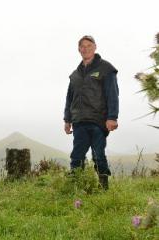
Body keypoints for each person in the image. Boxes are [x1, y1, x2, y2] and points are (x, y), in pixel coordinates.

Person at [63, 35, 119, 190]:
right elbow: (69, 98)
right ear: (79, 50)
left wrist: (112, 117)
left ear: (95, 47)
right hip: (79, 121)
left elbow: (112, 94)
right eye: (82, 46)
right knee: (76, 156)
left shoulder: (106, 69)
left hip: (98, 121)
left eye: (89, 45)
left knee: (98, 154)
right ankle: (75, 187)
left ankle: (104, 187)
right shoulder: (75, 75)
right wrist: (67, 120)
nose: (85, 48)